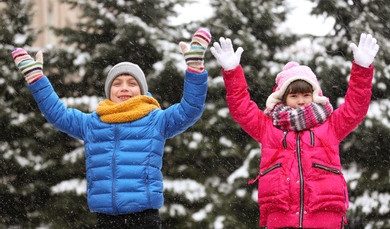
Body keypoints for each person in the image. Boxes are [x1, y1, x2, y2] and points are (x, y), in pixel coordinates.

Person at [11, 28, 211, 229]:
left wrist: (194, 68)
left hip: (144, 218)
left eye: (132, 83)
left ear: (142, 90)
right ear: (109, 91)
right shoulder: (92, 123)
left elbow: (190, 109)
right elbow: (57, 113)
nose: (124, 88)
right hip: (106, 219)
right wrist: (36, 79)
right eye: (117, 83)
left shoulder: (155, 120)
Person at [210, 33, 379, 228]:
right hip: (280, 218)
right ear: (282, 98)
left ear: (315, 95)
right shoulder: (268, 127)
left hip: (325, 218)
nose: (301, 100)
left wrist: (362, 70)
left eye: (306, 94)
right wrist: (232, 72)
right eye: (294, 95)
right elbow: (241, 108)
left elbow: (355, 107)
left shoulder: (330, 126)